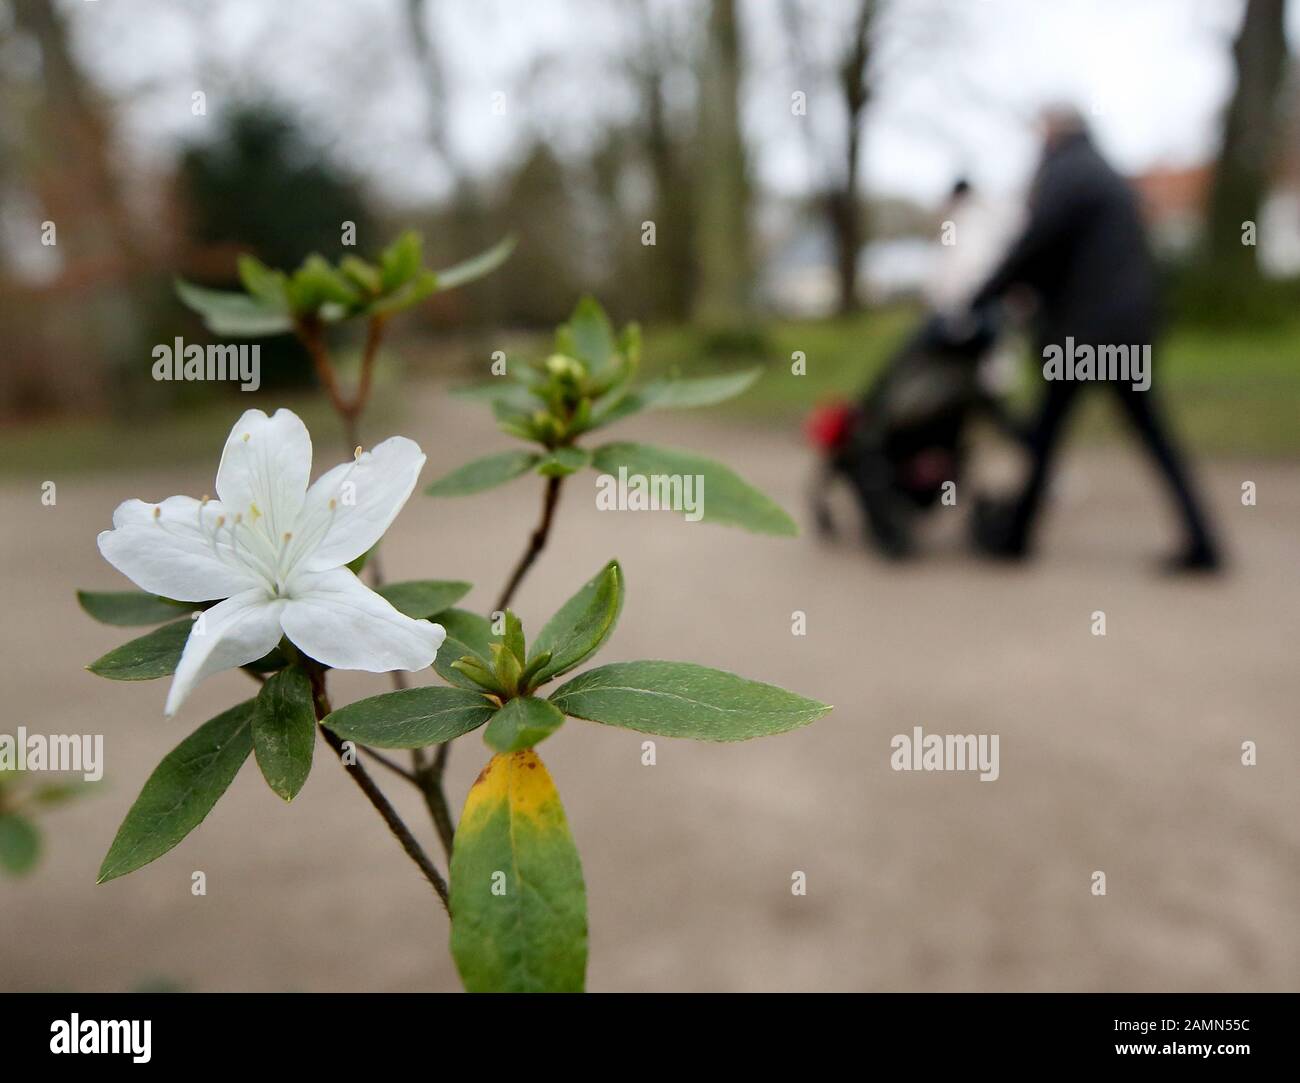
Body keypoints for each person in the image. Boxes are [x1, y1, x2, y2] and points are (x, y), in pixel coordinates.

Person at [968, 105, 1221, 572]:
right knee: (1146, 436)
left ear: (1055, 132)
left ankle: (1017, 537)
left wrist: (981, 295)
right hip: (1124, 329)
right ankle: (1204, 541)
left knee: (1047, 435)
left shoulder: (1067, 173)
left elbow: (1034, 244)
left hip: (1085, 335)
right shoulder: (1105, 173)